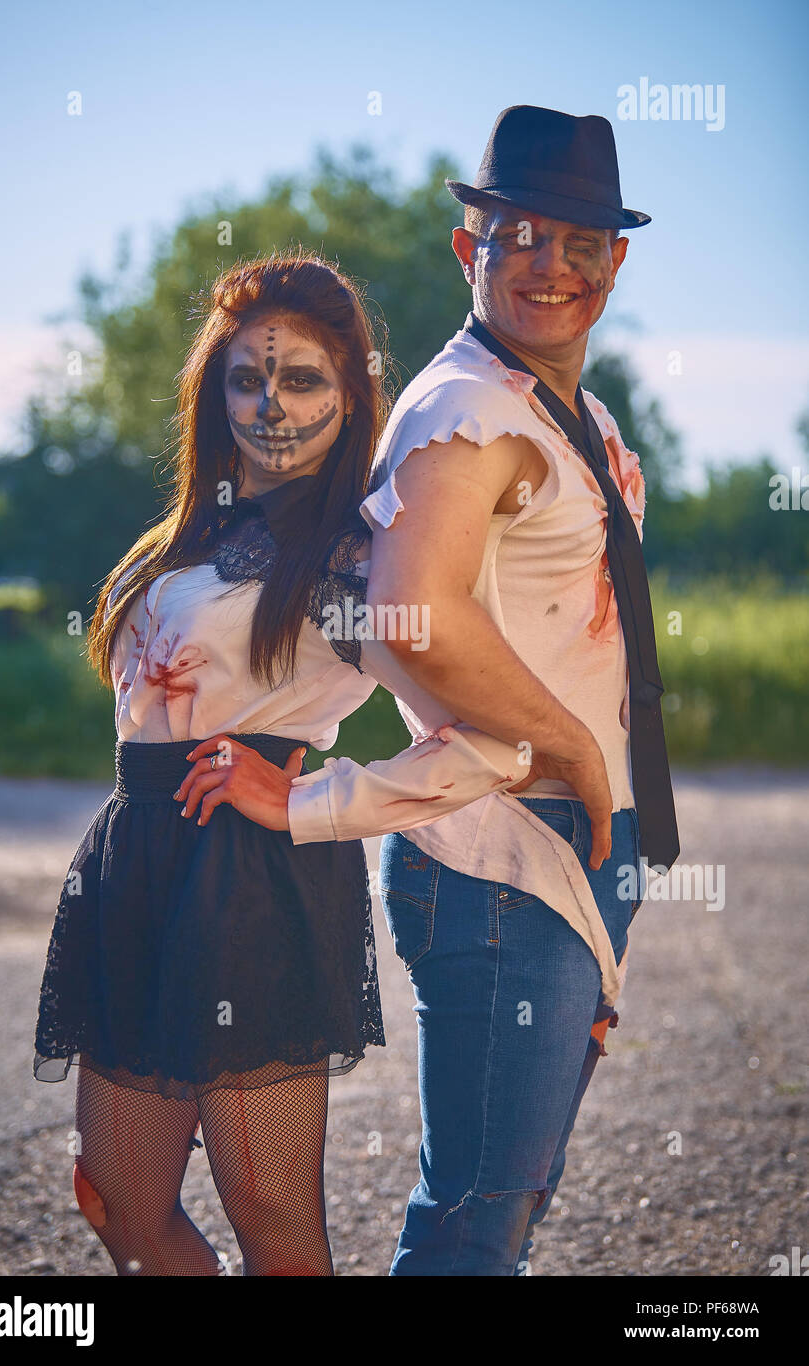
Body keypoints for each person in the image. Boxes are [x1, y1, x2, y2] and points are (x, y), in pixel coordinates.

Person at [178, 107, 680, 1276]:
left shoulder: (577, 420)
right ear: (470, 251)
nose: (549, 265)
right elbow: (417, 618)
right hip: (505, 857)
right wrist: (581, 753)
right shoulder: (463, 410)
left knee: (511, 1199)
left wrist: (611, 821)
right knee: (471, 1223)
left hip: (572, 844)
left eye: (578, 241)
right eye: (518, 236)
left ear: (614, 262)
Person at [32, 249, 535, 1278]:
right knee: (119, 1203)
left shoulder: (357, 560)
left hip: (248, 879)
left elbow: (490, 741)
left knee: (272, 1217)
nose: (270, 403)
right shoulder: (182, 535)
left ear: (352, 397)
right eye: (245, 378)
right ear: (213, 392)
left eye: (302, 377)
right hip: (136, 866)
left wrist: (314, 797)